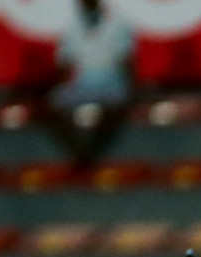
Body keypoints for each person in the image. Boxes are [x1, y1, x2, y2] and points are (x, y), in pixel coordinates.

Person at [46, 0, 135, 166]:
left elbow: (127, 60)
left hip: (111, 81)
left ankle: (94, 151)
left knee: (114, 108)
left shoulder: (118, 22)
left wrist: (133, 87)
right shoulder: (71, 25)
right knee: (53, 106)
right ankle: (79, 152)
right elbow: (65, 62)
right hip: (83, 83)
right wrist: (61, 87)